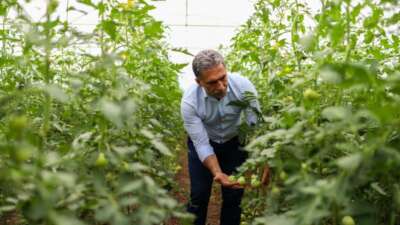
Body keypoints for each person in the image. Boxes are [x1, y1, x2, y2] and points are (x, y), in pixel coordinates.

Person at [180, 49, 269, 225]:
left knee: (234, 196)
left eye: (223, 77)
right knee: (198, 195)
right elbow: (201, 143)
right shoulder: (190, 102)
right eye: (212, 82)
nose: (220, 86)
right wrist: (217, 172)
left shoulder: (243, 87)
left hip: (233, 143)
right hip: (205, 144)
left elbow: (255, 126)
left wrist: (265, 159)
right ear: (199, 82)